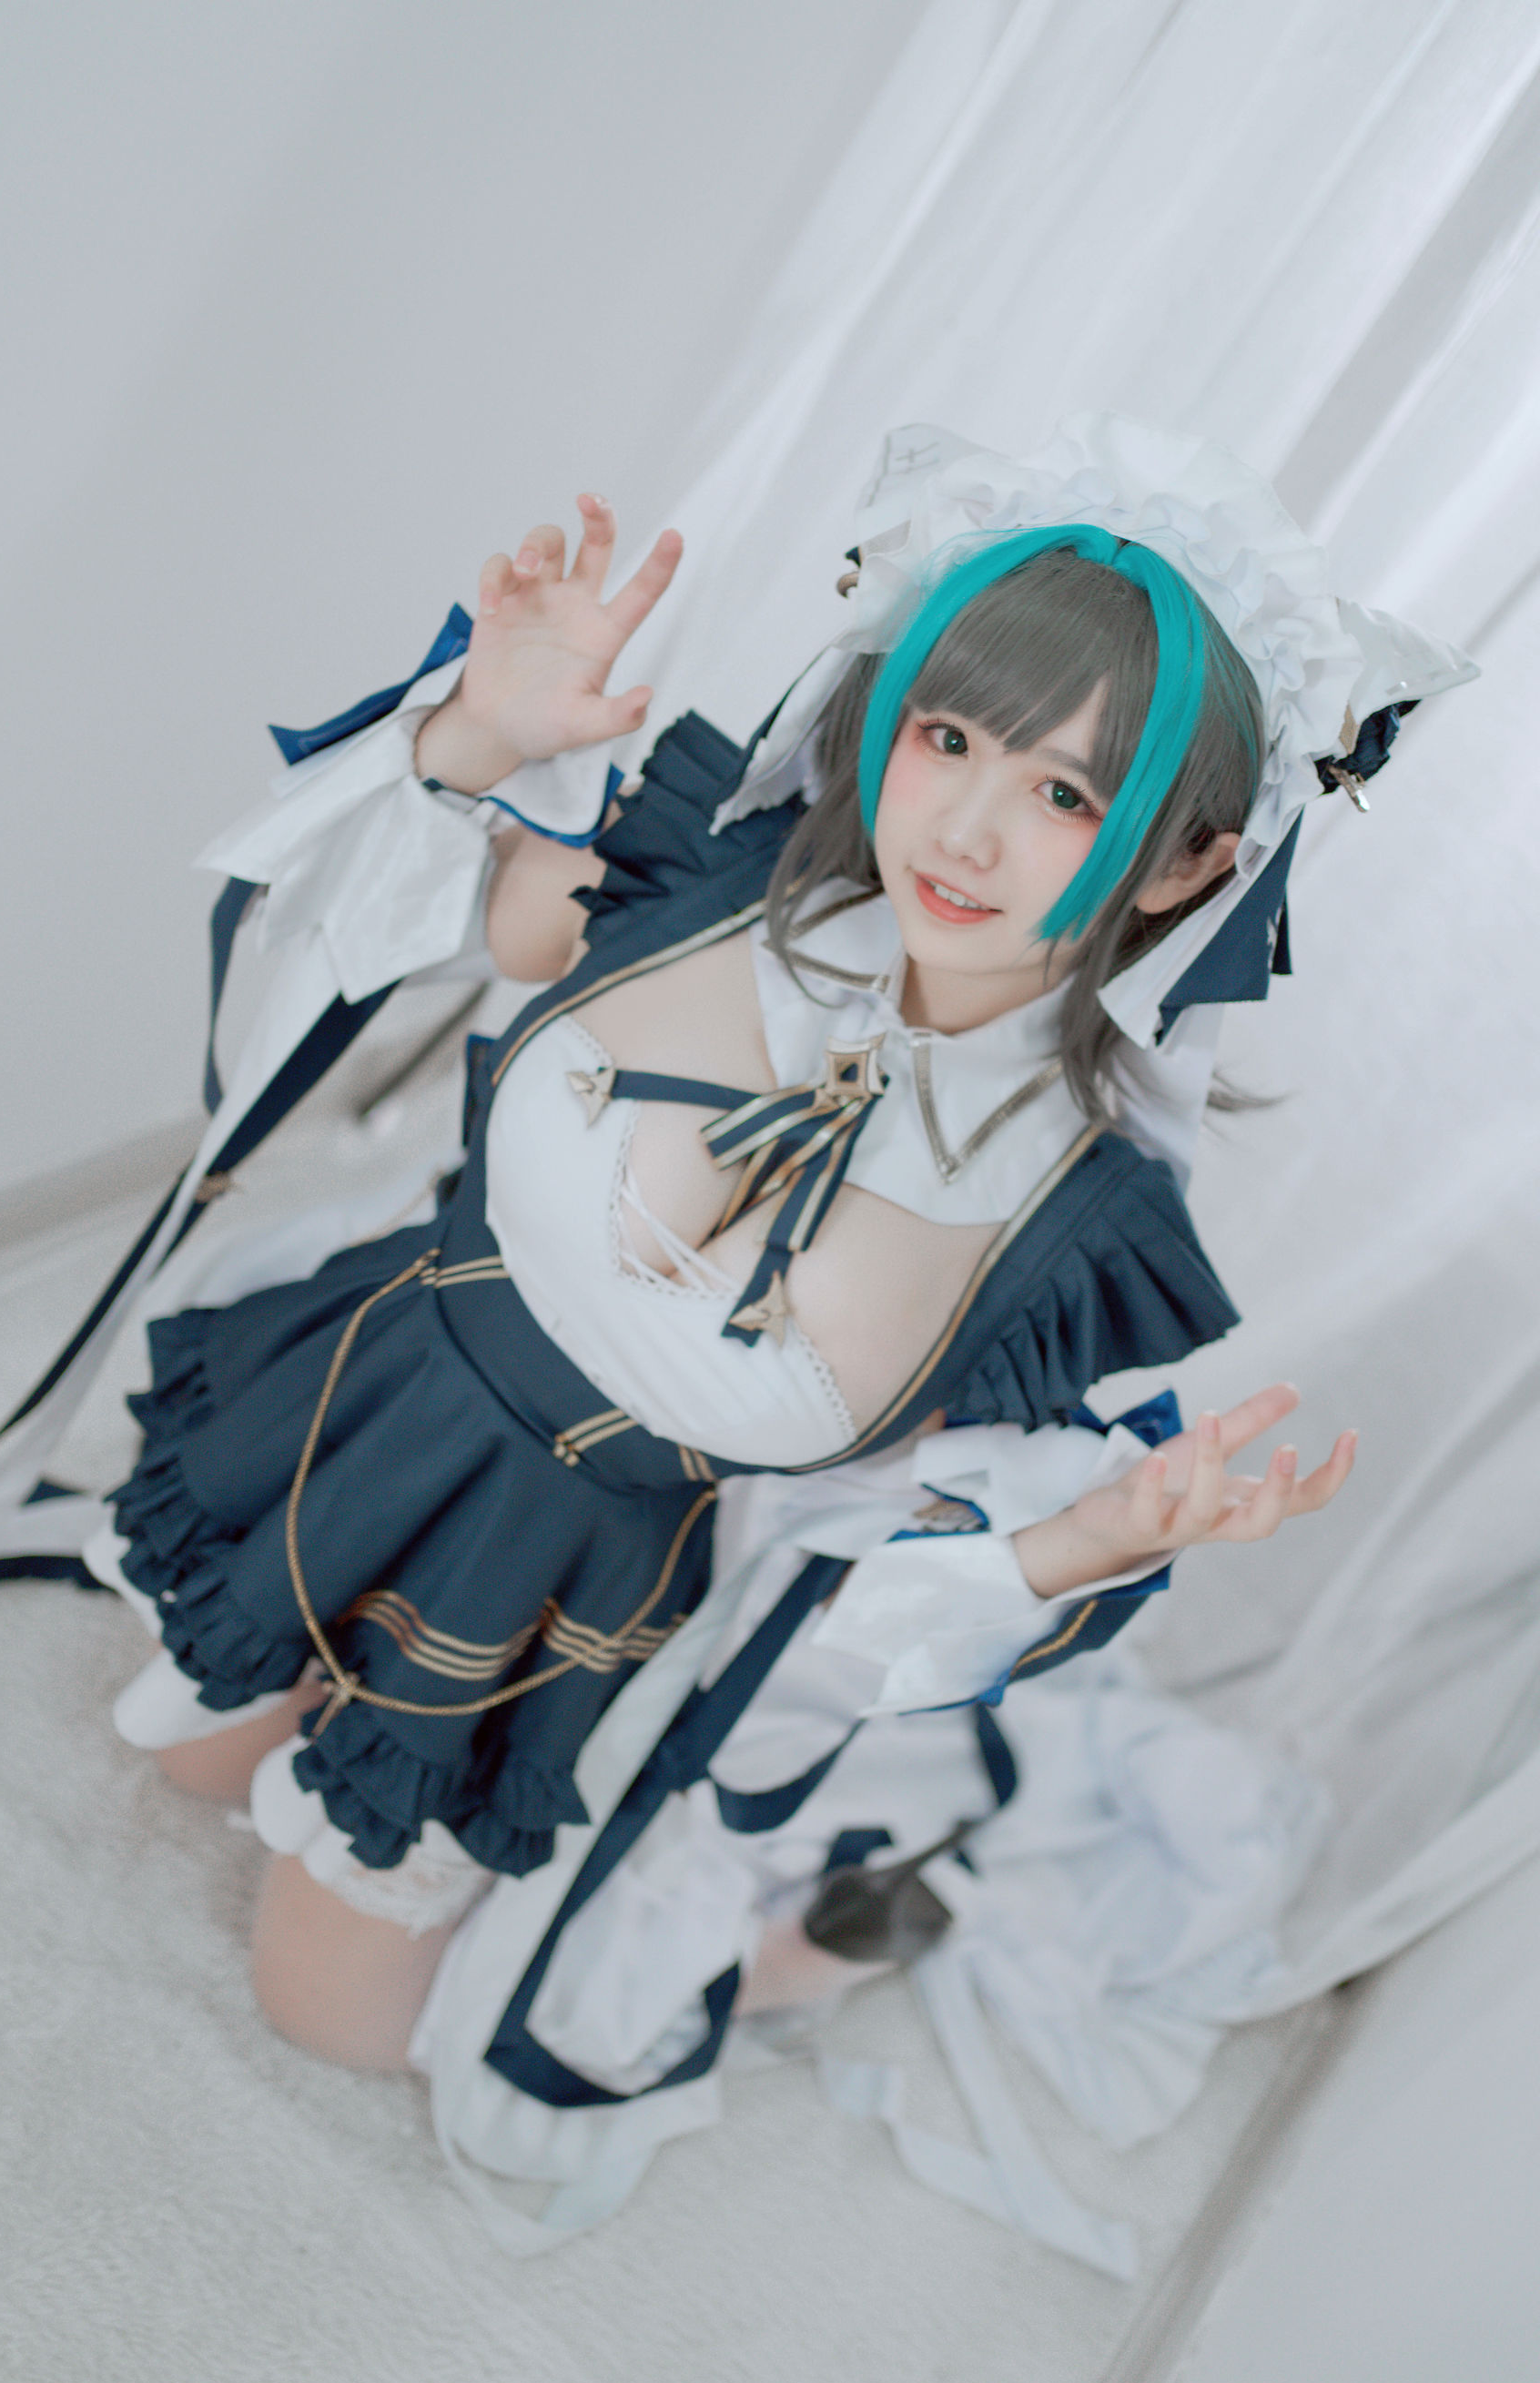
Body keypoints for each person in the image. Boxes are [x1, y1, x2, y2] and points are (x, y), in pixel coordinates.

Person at [93, 415, 1458, 2226]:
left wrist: (1099, 1534)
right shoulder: (707, 867)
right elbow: (388, 939)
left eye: (1067, 795)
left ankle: (781, 1945)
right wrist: (482, 737)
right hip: (375, 1397)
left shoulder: (1073, 1220)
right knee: (182, 1753)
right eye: (949, 736)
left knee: (325, 2013)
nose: (965, 827)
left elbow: (885, 1553)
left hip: (564, 1589)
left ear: (1186, 865)